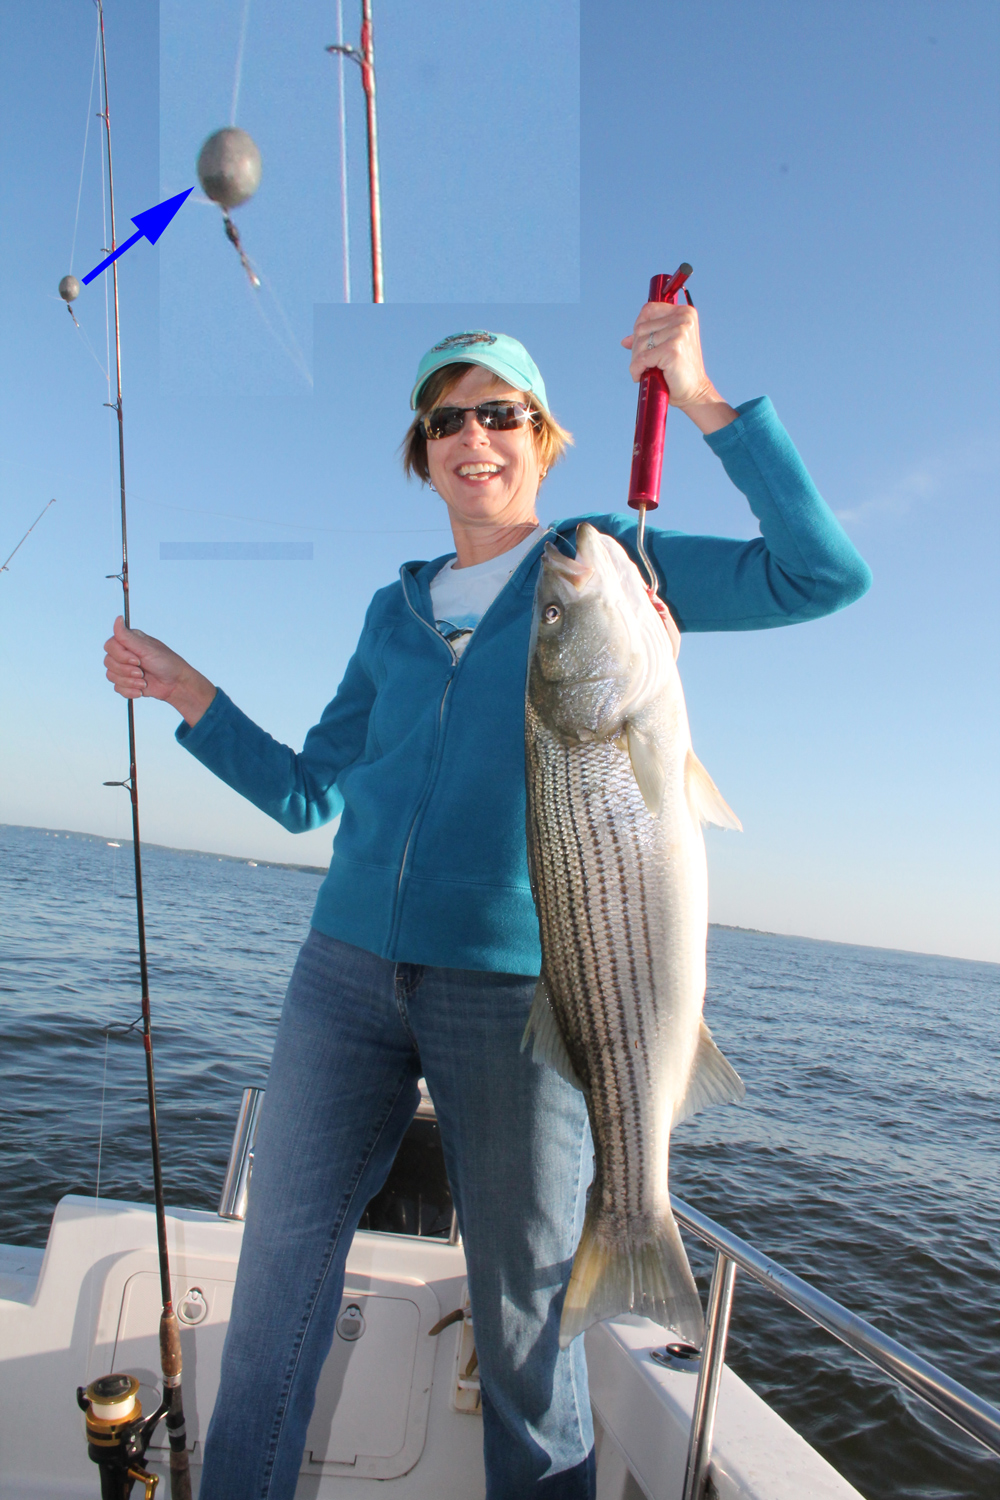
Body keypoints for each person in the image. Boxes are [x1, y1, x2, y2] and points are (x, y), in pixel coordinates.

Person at [103, 301, 871, 1499]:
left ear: (542, 435)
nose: (475, 436)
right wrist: (195, 699)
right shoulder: (391, 609)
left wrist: (710, 402)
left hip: (524, 992)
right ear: (424, 452)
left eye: (500, 412)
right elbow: (311, 798)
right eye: (446, 418)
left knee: (528, 1335)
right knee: (271, 1297)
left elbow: (819, 575)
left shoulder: (606, 559)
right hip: (342, 976)